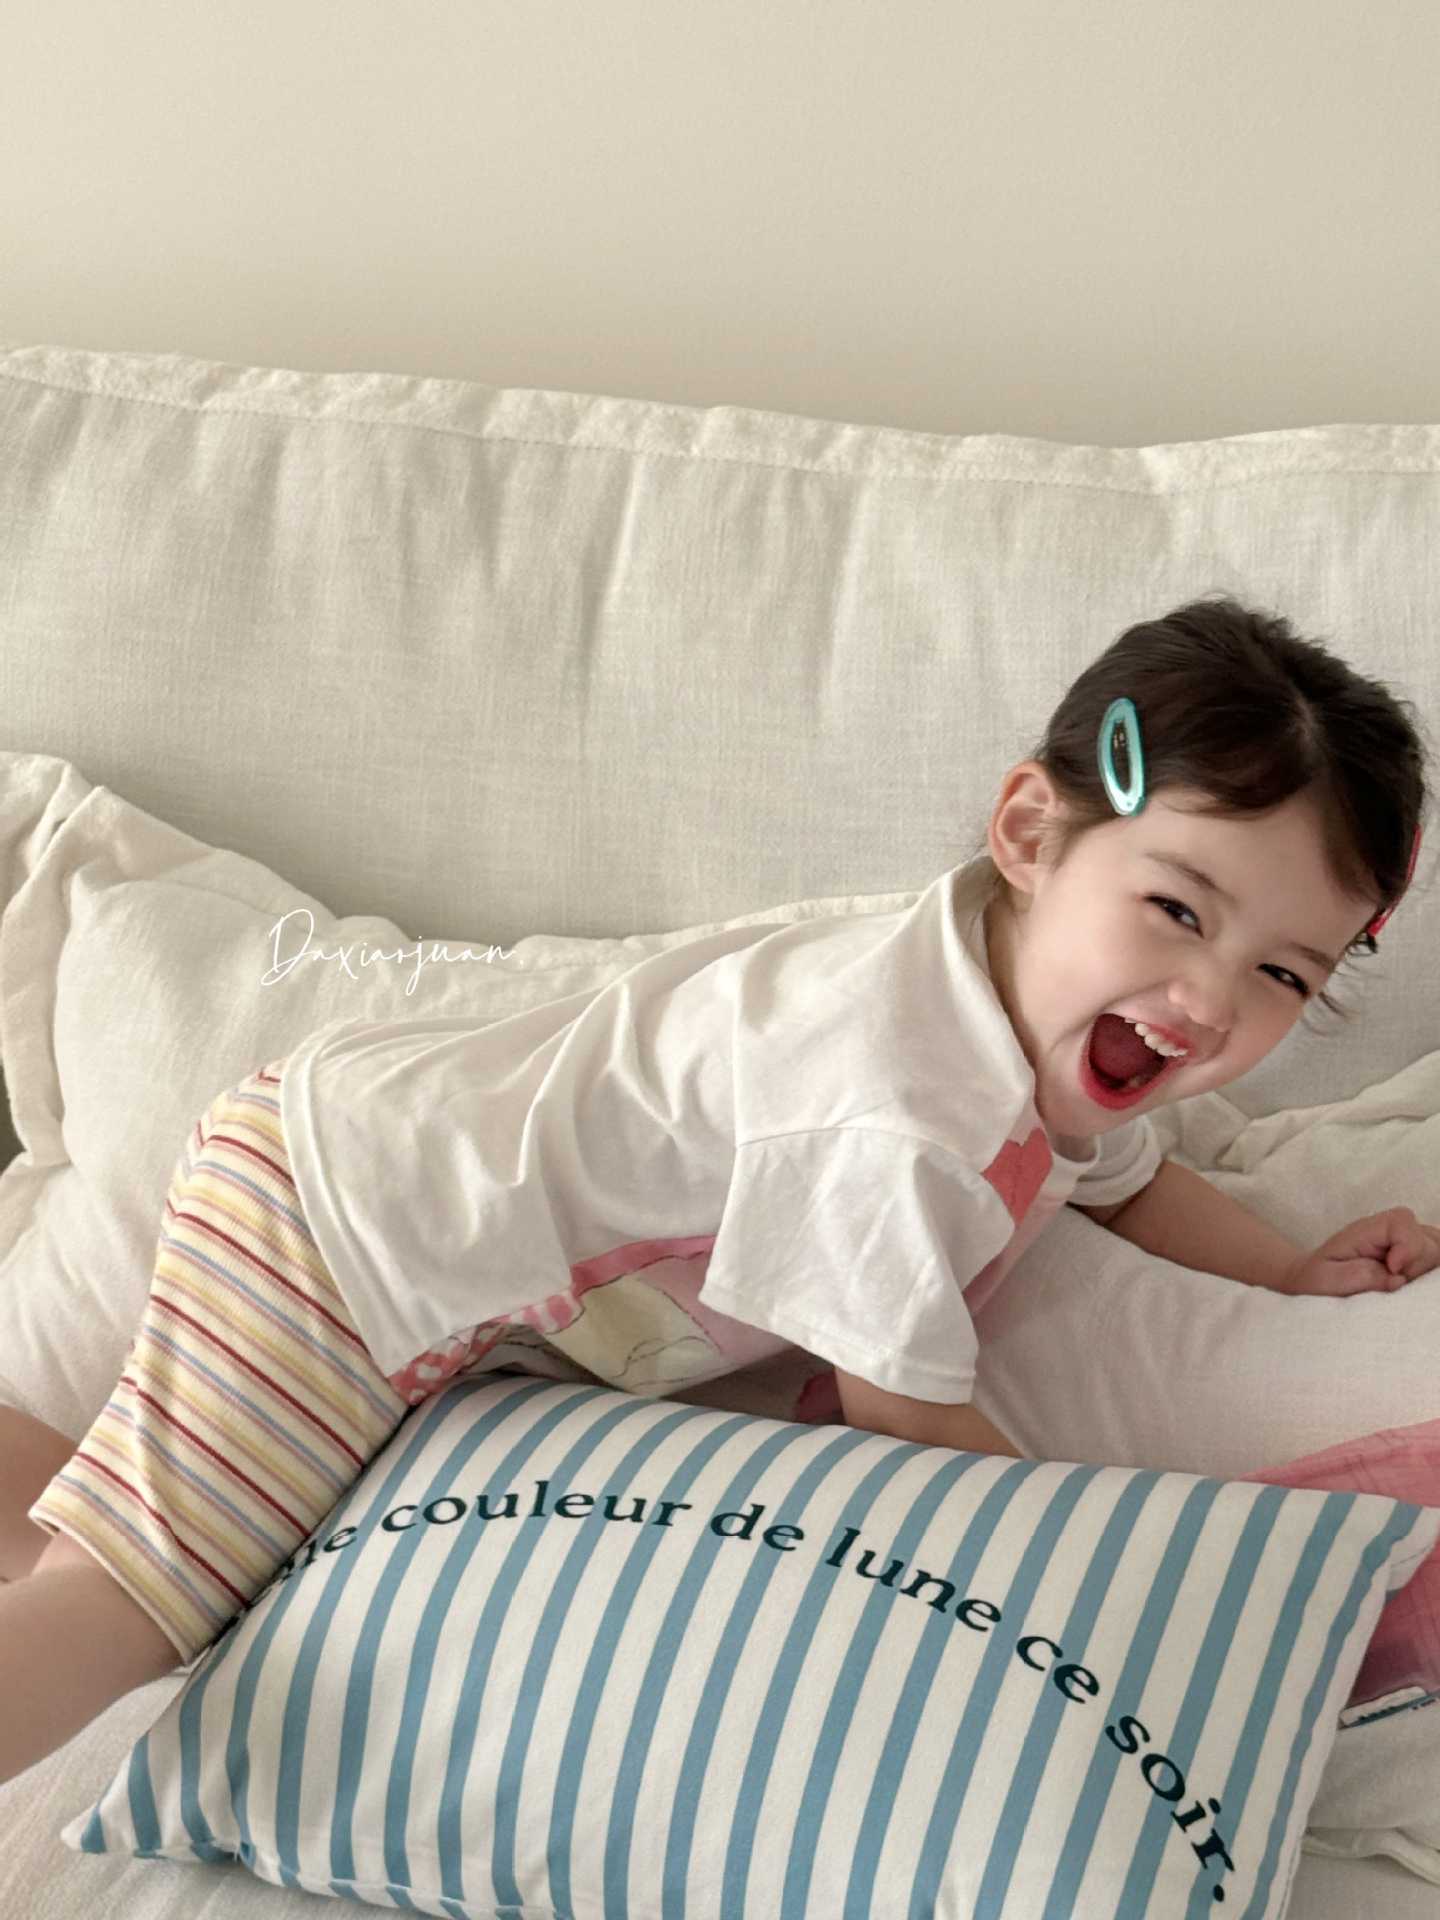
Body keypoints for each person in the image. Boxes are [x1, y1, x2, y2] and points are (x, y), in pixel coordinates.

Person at [3, 592, 1437, 1787]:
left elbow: (1124, 1187)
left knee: (195, 1539)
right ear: (1026, 833)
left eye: (1281, 973)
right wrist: (1124, 1584)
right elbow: (908, 1416)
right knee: (137, 1605)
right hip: (348, 1242)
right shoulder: (894, 1106)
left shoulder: (1035, 1020)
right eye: (1176, 909)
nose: (1207, 1001)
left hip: (401, 1205)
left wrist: (1285, 1268)